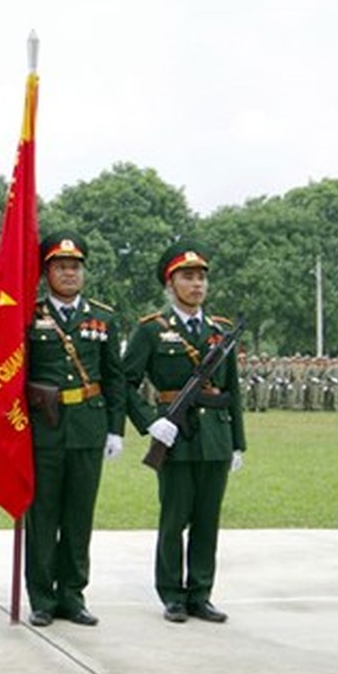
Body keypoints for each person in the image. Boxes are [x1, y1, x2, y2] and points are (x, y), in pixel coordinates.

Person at [123, 240, 246, 624]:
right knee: (174, 518)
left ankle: (200, 594)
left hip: (216, 437)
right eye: (187, 277)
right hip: (175, 436)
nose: (196, 285)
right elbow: (124, 382)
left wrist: (238, 443)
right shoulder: (152, 330)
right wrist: (149, 421)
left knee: (208, 519)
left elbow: (233, 390)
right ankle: (172, 593)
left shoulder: (220, 330)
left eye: (201, 278)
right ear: (170, 283)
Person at [24, 233, 126, 627]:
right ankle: (42, 598)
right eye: (60, 266)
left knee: (79, 516)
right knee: (44, 515)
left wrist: (115, 428)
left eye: (75, 266)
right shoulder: (30, 316)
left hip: (88, 425)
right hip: (43, 429)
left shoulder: (103, 317)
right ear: (47, 272)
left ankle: (73, 595)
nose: (69, 272)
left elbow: (115, 379)